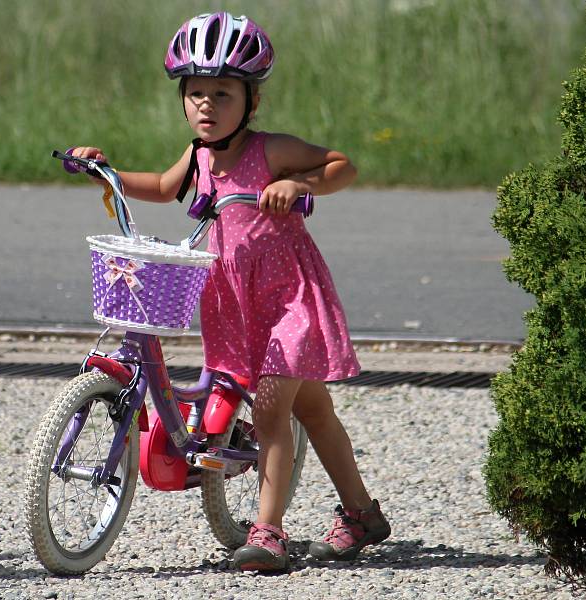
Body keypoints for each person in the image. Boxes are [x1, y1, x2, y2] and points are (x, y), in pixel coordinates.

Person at [67, 12, 390, 572]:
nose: (206, 105)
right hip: (235, 303)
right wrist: (108, 173)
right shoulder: (199, 157)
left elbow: (343, 165)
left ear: (252, 102)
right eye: (195, 93)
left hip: (288, 297)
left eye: (222, 92)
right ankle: (362, 514)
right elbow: (165, 188)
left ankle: (267, 533)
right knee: (311, 409)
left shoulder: (272, 151)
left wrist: (298, 183)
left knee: (270, 413)